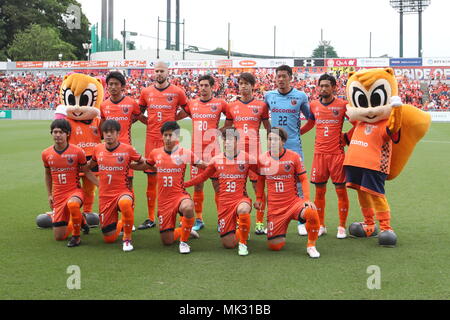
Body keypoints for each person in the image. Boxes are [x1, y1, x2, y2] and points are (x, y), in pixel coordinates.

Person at [132, 121, 202, 254]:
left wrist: (218, 164)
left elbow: (203, 165)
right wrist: (128, 165)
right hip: (164, 201)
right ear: (162, 136)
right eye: (166, 135)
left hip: (179, 196)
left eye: (171, 135)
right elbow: (145, 165)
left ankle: (184, 242)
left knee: (187, 207)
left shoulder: (185, 152)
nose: (168, 138)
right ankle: (184, 230)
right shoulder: (155, 153)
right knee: (167, 241)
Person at [184, 127, 254, 256]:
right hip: (225, 204)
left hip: (241, 199)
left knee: (243, 210)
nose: (227, 142)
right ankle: (242, 231)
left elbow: (260, 173)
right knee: (228, 244)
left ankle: (243, 243)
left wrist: (259, 196)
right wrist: (185, 184)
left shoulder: (247, 158)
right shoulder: (216, 160)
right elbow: (203, 177)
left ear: (237, 141)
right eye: (225, 139)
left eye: (230, 139)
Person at [254, 127, 321, 258]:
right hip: (275, 208)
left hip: (293, 204)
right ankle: (281, 230)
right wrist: (258, 198)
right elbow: (260, 181)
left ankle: (311, 245)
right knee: (275, 246)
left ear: (283, 141)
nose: (272, 142)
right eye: (269, 139)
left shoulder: (294, 156)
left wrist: (306, 199)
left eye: (275, 139)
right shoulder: (262, 159)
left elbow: (303, 179)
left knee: (311, 212)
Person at [138, 61, 189, 230]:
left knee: (175, 177)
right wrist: (149, 122)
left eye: (162, 71)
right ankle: (151, 217)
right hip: (152, 139)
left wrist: (174, 120)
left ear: (168, 72)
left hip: (170, 140)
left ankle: (180, 213)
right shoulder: (146, 92)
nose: (159, 74)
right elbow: (138, 113)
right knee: (151, 178)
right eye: (156, 71)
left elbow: (187, 109)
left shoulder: (177, 92)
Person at [300, 73, 351, 239]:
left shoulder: (343, 105)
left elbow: (358, 123)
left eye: (327, 86)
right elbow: (310, 124)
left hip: (337, 155)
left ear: (334, 87)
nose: (323, 88)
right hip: (319, 155)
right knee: (319, 192)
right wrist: (296, 133)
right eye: (321, 86)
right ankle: (321, 225)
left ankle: (341, 226)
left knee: (341, 191)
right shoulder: (314, 105)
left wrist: (346, 137)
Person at [176, 74, 228, 231]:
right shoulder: (192, 104)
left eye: (206, 85)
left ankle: (222, 220)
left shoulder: (220, 104)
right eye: (201, 85)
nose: (203, 88)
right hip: (196, 152)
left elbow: (231, 119)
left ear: (212, 87)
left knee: (218, 186)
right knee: (198, 186)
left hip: (214, 152)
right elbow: (179, 115)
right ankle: (198, 219)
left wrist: (219, 131)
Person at [264, 65, 311, 236]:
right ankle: (271, 217)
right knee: (272, 181)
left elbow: (311, 119)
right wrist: (270, 135)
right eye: (278, 76)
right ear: (275, 78)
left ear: (291, 77)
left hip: (294, 147)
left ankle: (301, 219)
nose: (281, 79)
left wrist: (299, 132)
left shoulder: (300, 96)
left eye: (284, 76)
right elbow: (263, 117)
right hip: (275, 148)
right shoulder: (268, 96)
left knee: (298, 182)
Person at [88, 120, 146, 252]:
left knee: (125, 203)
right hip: (105, 196)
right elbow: (87, 168)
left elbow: (144, 163)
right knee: (109, 238)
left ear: (118, 134)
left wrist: (130, 165)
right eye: (106, 132)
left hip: (122, 192)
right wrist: (98, 184)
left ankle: (127, 238)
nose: (108, 135)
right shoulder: (98, 149)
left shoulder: (127, 149)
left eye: (112, 132)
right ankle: (122, 224)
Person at [224, 72, 271, 235]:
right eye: (240, 83)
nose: (243, 86)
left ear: (253, 86)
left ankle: (259, 223)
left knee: (258, 186)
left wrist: (271, 148)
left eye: (246, 83)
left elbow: (268, 129)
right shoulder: (232, 106)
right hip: (237, 154)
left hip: (255, 152)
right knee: (238, 187)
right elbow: (228, 129)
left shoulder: (261, 106)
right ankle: (239, 221)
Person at [41, 119, 98, 247]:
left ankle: (76, 237)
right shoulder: (46, 154)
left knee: (73, 204)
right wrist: (50, 195)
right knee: (59, 237)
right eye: (55, 132)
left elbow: (87, 172)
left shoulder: (78, 152)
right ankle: (81, 220)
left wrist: (100, 185)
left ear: (67, 134)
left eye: (61, 132)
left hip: (74, 191)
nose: (57, 135)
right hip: (59, 196)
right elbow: (48, 175)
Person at [101, 71, 142, 191]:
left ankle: (129, 208)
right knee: (110, 181)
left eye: (116, 84)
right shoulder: (103, 105)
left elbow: (139, 118)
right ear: (107, 86)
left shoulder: (131, 103)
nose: (113, 87)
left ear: (122, 86)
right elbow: (102, 126)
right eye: (110, 84)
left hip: (126, 148)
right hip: (108, 148)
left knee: (128, 181)